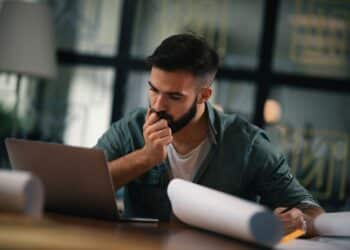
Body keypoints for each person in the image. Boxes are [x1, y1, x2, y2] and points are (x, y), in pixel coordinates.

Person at [96, 33, 324, 237]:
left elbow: (312, 210)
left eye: (174, 97)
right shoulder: (132, 127)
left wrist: (296, 220)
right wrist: (145, 158)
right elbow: (80, 190)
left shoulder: (247, 144)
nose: (158, 105)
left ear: (203, 95)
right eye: (154, 90)